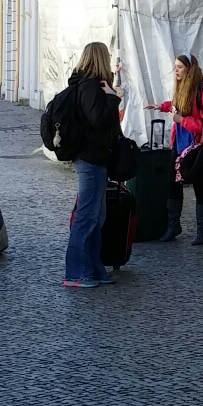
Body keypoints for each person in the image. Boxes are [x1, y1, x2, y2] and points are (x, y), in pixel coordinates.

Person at [63, 41, 123, 289]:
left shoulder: (95, 85)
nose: (109, 59)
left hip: (98, 157)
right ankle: (76, 273)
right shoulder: (88, 86)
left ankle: (94, 268)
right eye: (106, 56)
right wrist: (112, 98)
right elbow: (98, 120)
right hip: (89, 158)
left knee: (97, 218)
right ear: (99, 58)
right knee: (86, 217)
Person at [151, 55, 203, 246]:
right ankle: (173, 227)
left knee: (199, 186)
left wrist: (182, 120)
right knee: (173, 184)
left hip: (198, 146)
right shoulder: (182, 87)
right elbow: (178, 105)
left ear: (190, 69)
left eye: (180, 67)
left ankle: (202, 232)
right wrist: (162, 107)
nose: (176, 70)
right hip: (179, 144)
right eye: (175, 66)